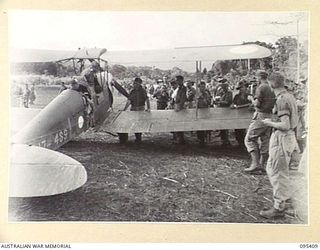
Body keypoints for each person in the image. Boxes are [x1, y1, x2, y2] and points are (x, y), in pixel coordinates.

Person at [259, 72, 299, 219]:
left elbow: (285, 125)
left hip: (282, 137)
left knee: (277, 171)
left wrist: (269, 123)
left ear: (271, 85)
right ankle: (286, 200)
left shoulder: (282, 99)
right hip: (288, 137)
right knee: (273, 168)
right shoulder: (289, 96)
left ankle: (279, 207)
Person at [244, 70, 276, 173]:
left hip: (260, 115)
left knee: (249, 139)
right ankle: (262, 165)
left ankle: (255, 164)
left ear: (259, 77)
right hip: (269, 115)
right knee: (265, 140)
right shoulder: (272, 87)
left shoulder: (261, 87)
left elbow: (257, 104)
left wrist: (251, 100)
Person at [123, 77, 151, 142]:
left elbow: (147, 99)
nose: (134, 85)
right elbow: (129, 101)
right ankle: (137, 137)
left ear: (139, 84)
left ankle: (139, 137)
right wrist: (124, 109)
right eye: (134, 83)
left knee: (139, 123)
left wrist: (148, 108)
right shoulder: (132, 91)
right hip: (133, 108)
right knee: (134, 123)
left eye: (136, 83)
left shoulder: (143, 91)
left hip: (141, 108)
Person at [231, 80, 251, 147]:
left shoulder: (249, 96)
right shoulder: (237, 96)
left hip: (248, 115)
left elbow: (251, 104)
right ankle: (240, 143)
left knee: (248, 130)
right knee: (238, 130)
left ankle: (247, 144)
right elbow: (233, 103)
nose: (242, 89)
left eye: (243, 87)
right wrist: (233, 106)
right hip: (239, 115)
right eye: (240, 88)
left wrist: (241, 106)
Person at [214, 80, 233, 146]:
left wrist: (219, 102)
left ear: (226, 87)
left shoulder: (229, 93)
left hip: (227, 111)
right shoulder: (223, 93)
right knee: (222, 126)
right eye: (222, 87)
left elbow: (227, 102)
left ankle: (226, 140)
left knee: (226, 126)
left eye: (224, 87)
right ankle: (223, 140)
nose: (223, 88)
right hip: (222, 111)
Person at [174, 75, 187, 144]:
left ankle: (181, 139)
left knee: (180, 123)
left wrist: (179, 107)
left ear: (181, 80)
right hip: (177, 105)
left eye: (177, 80)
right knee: (177, 123)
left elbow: (183, 98)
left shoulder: (183, 88)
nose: (176, 81)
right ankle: (179, 138)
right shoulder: (179, 88)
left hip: (180, 107)